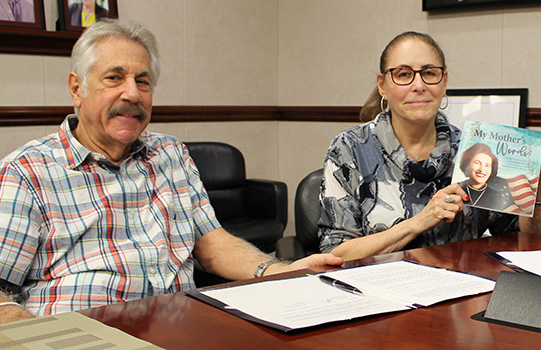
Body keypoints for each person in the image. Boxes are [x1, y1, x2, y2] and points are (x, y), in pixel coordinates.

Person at [0, 19, 341, 323]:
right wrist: (33, 338)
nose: (132, 93)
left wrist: (278, 271)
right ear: (77, 88)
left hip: (181, 330)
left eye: (143, 81)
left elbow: (212, 245)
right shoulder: (27, 172)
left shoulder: (170, 154)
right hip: (84, 333)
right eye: (114, 77)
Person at [318, 31, 541, 261]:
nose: (419, 85)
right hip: (381, 295)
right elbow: (334, 255)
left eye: (429, 73)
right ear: (382, 85)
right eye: (403, 74)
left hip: (463, 296)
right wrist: (419, 221)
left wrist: (537, 187)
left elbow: (521, 241)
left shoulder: (473, 148)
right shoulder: (350, 148)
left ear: (444, 82)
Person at [455, 143, 517, 213]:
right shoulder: (456, 188)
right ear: (467, 165)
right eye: (477, 163)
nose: (481, 169)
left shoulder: (496, 195)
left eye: (487, 165)